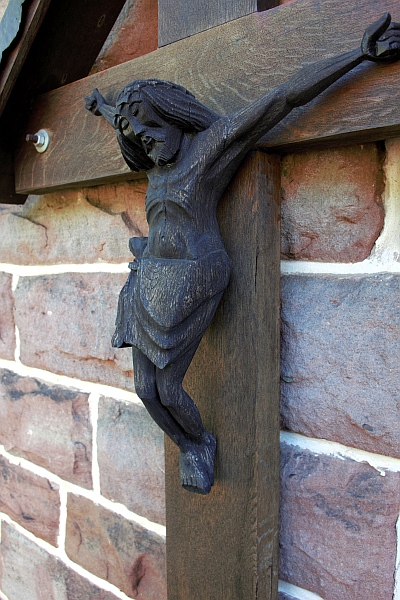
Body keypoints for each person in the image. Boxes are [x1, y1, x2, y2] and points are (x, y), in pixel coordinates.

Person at [85, 13, 400, 494]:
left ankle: (199, 443)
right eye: (135, 136)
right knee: (144, 389)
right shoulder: (154, 166)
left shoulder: (210, 150)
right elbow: (123, 121)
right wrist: (104, 109)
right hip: (150, 274)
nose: (142, 139)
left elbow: (284, 97)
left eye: (149, 128)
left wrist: (358, 55)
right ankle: (191, 444)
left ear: (170, 116)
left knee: (167, 386)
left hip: (194, 273)